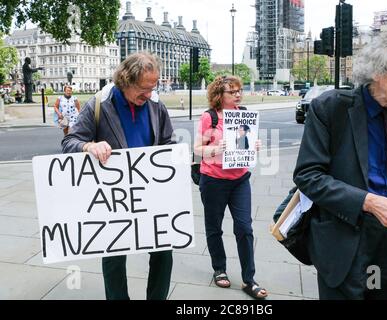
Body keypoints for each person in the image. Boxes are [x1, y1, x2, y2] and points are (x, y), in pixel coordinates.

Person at [293, 30, 387, 300]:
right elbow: (308, 176)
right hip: (347, 243)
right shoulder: (330, 108)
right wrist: (369, 201)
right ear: (377, 71)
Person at [61, 52, 174, 300]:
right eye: (143, 88)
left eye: (153, 87)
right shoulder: (100, 103)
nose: (149, 94)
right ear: (125, 81)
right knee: (113, 258)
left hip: (150, 195)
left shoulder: (156, 104)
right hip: (114, 198)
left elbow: (168, 143)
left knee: (164, 254)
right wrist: (88, 146)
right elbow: (70, 141)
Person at [194, 75, 267, 299]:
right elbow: (197, 149)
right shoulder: (209, 118)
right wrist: (215, 149)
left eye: (239, 91)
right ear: (219, 95)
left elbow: (245, 144)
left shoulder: (244, 114)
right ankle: (219, 268)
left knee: (244, 227)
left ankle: (249, 279)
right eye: (232, 91)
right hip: (213, 180)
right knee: (214, 227)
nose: (238, 94)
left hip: (239, 180)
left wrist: (254, 146)